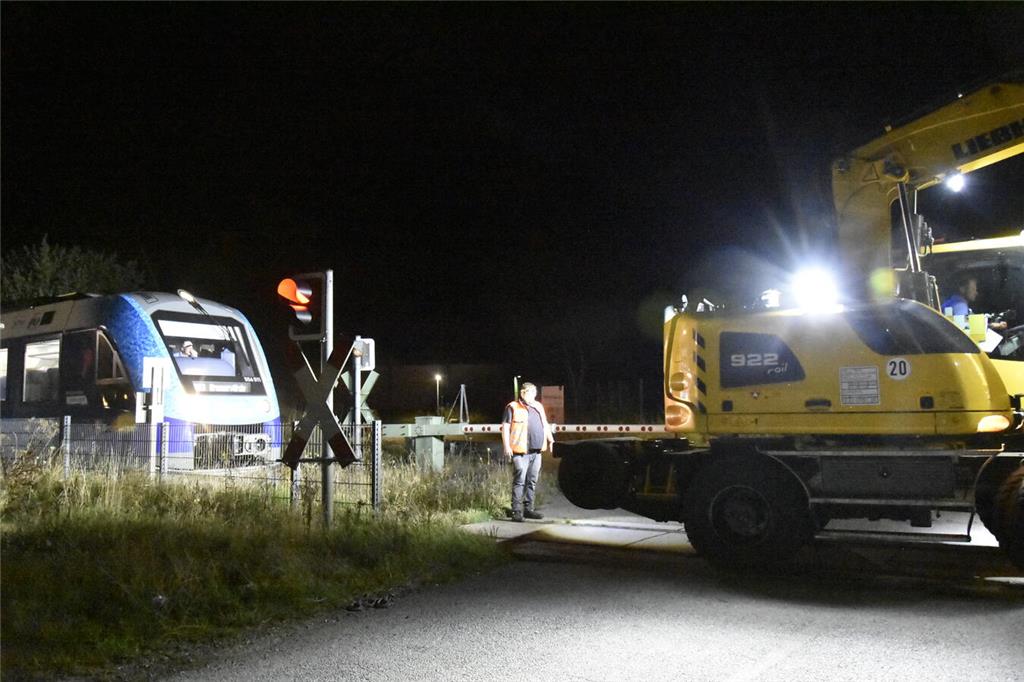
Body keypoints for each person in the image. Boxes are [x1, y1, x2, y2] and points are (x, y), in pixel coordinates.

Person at [500, 382, 554, 522]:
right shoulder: (512, 407)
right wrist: (507, 447)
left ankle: (528, 509)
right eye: (531, 392)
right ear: (523, 393)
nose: (534, 396)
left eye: (535, 393)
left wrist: (551, 439)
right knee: (520, 481)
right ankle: (516, 511)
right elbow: (505, 428)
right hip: (520, 452)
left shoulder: (538, 406)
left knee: (532, 481)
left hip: (536, 451)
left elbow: (545, 423)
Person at [942, 275, 1008, 331]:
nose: (976, 293)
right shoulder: (960, 304)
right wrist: (993, 326)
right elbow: (963, 327)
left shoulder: (951, 302)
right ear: (962, 289)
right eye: (973, 289)